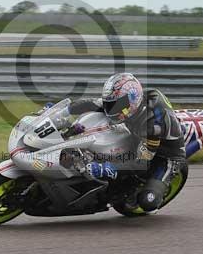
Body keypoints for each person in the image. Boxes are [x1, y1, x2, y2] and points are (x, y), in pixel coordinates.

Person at [52, 73, 187, 212]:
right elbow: (92, 103)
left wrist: (105, 168)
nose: (111, 109)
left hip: (166, 156)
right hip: (137, 137)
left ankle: (152, 193)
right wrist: (62, 112)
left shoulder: (152, 125)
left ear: (132, 102)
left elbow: (141, 162)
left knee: (148, 202)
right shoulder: (126, 101)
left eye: (115, 105)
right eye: (110, 103)